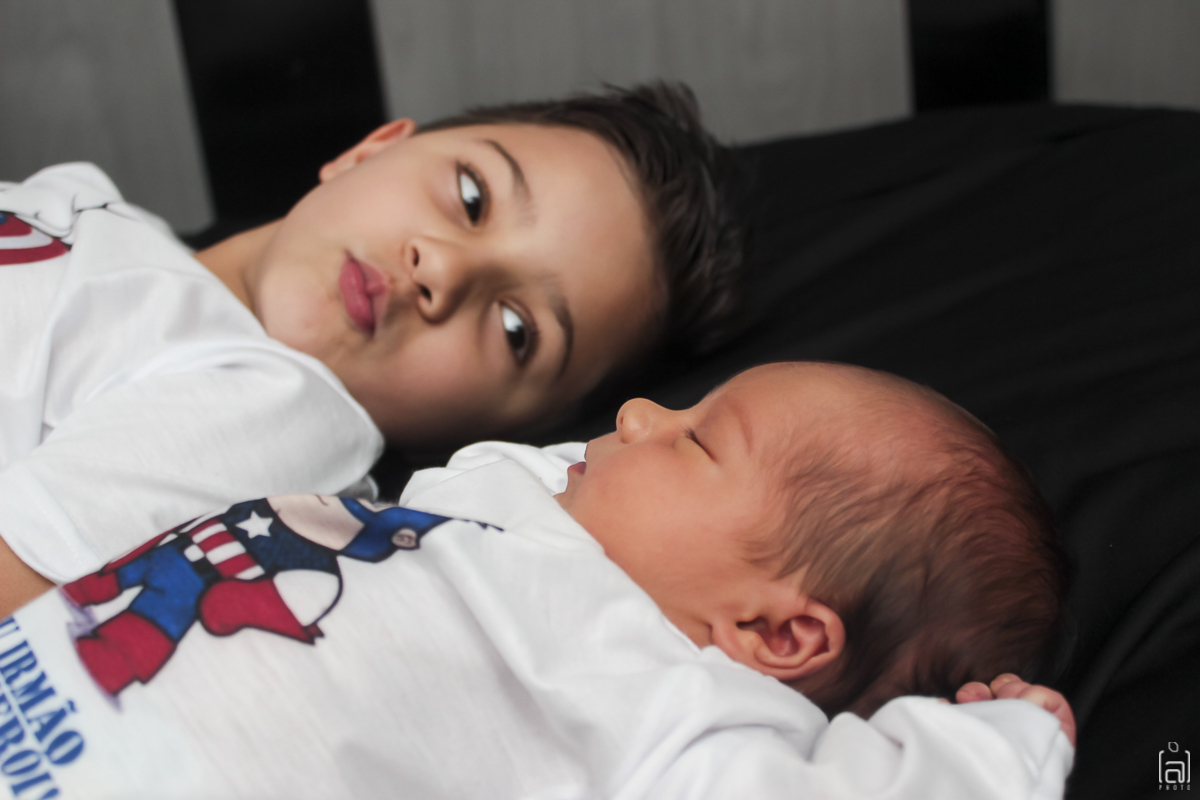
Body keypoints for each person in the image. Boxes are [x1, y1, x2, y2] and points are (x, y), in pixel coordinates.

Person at [1, 362, 1073, 798]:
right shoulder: (507, 518)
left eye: (698, 440)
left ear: (775, 635)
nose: (640, 413)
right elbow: (511, 469)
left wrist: (1002, 745)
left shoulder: (668, 706)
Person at [0, 83, 744, 616]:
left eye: (517, 330)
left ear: (502, 427)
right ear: (369, 150)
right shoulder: (85, 202)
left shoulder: (283, 414)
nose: (443, 269)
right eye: (472, 196)